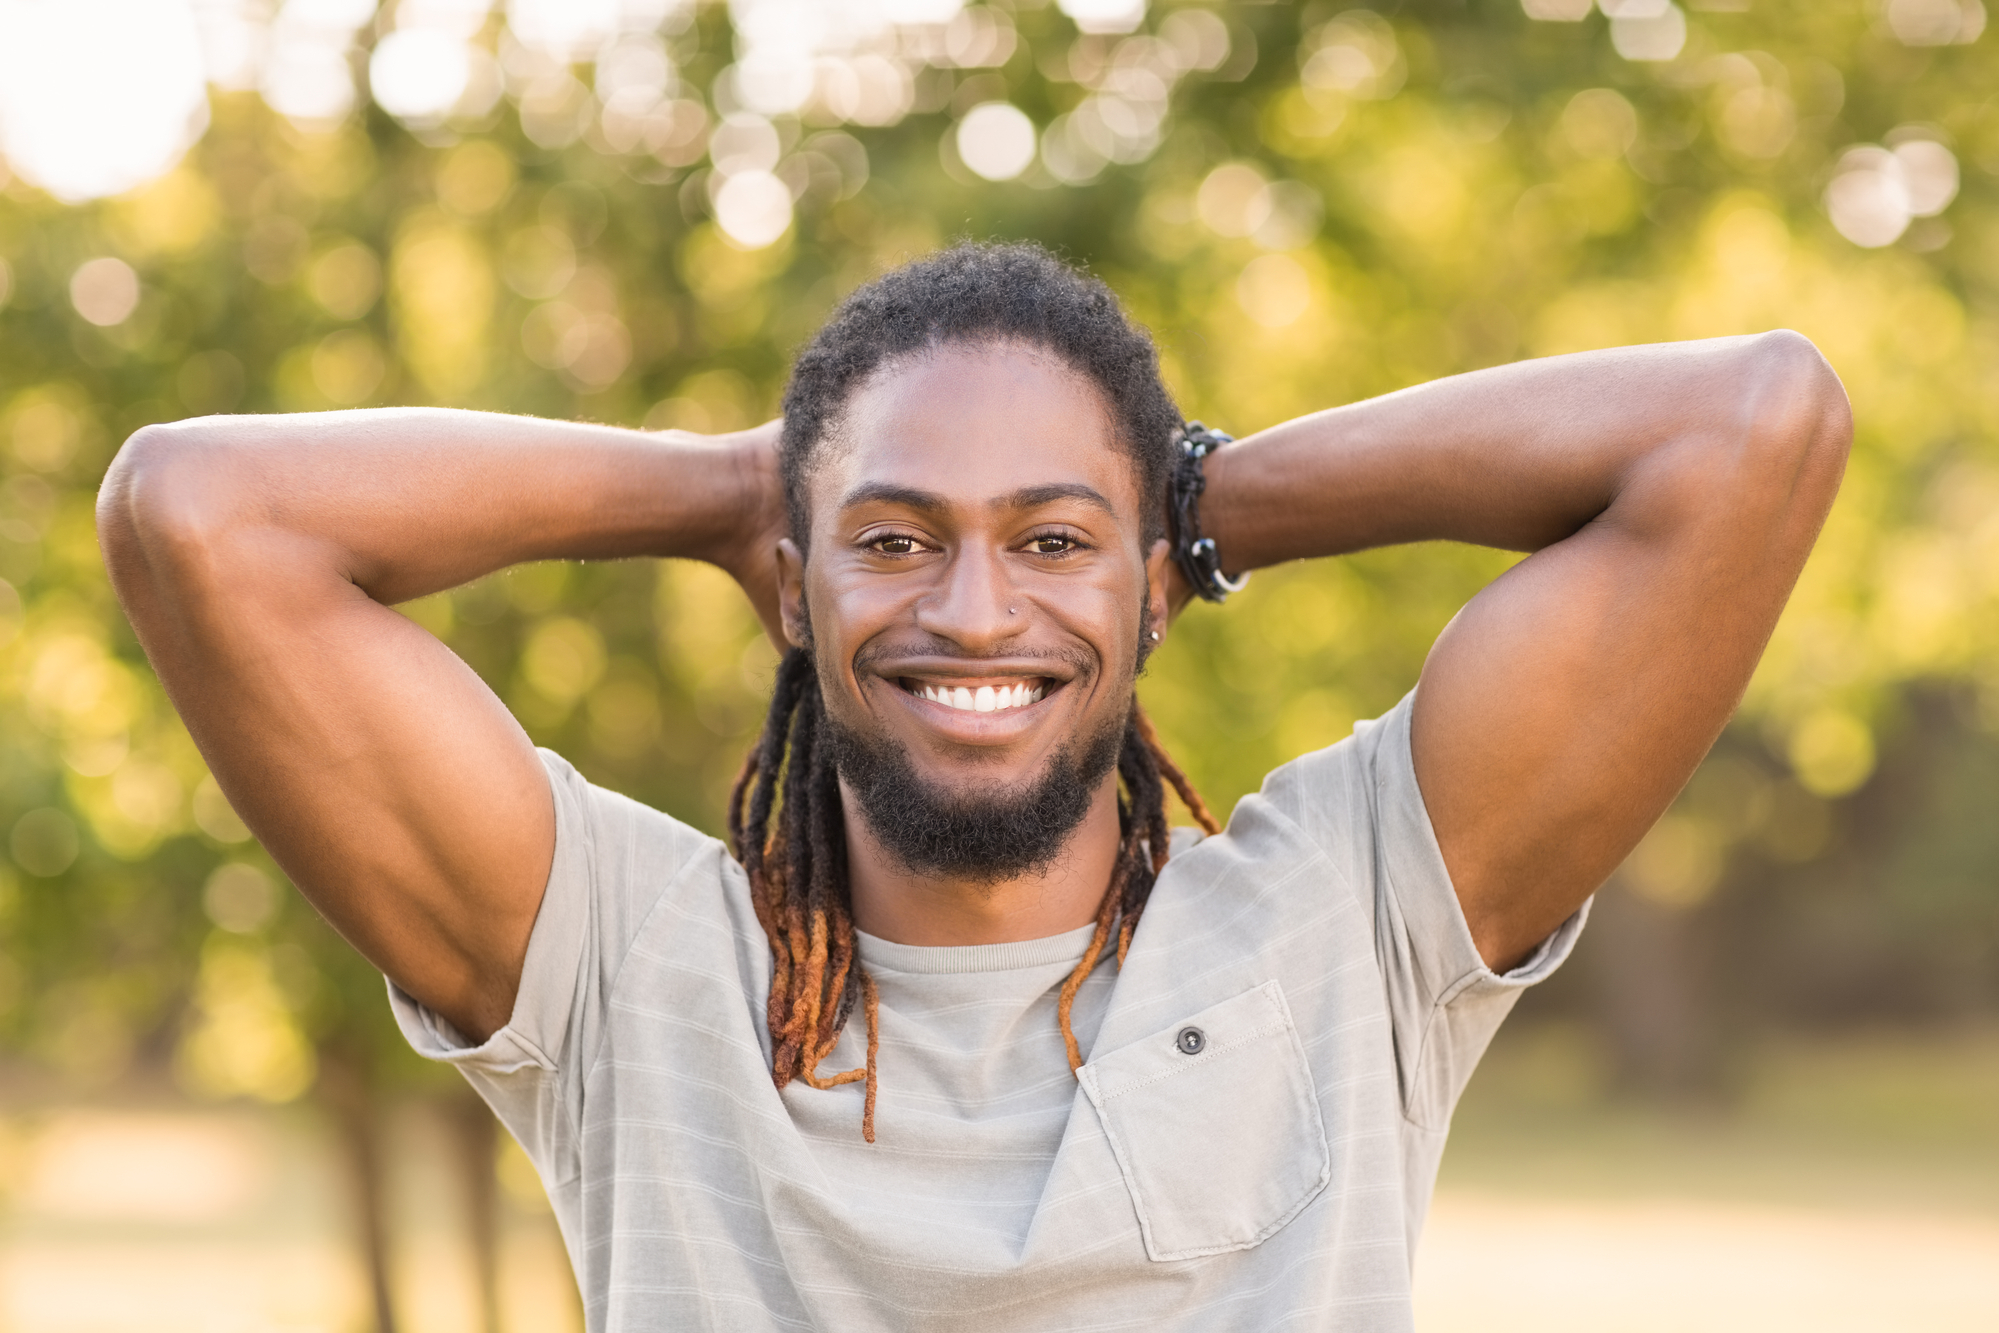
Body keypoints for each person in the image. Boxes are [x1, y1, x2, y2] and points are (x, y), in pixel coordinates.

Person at [98, 243, 1850, 1330]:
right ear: (796, 589)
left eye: (1053, 541)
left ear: (1152, 582)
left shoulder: (1350, 916)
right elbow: (202, 516)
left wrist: (1198, 508)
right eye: (893, 538)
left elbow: (1752, 427)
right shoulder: (623, 966)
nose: (976, 609)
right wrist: (739, 487)